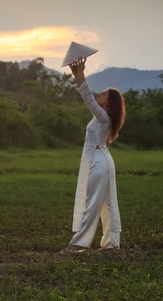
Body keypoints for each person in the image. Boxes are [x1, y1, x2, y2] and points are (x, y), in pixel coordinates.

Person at [61, 56, 126, 253]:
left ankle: (78, 243)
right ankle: (111, 245)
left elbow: (88, 97)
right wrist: (77, 73)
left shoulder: (103, 116)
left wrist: (80, 75)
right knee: (108, 203)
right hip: (103, 160)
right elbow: (91, 100)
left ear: (110, 102)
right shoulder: (101, 117)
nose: (101, 93)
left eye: (105, 93)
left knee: (93, 203)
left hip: (100, 163)